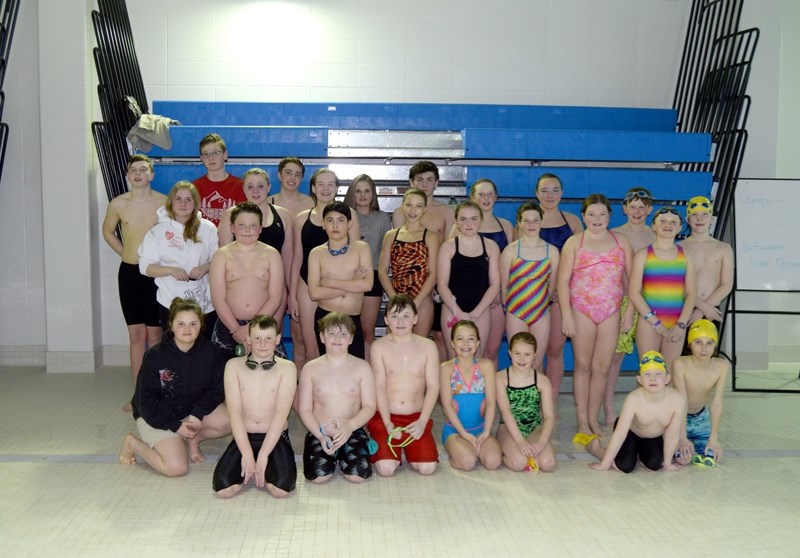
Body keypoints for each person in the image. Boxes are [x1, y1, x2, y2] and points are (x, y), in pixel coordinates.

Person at [119, 298, 230, 475]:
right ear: (171, 325)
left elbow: (217, 389)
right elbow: (145, 402)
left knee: (231, 421)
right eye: (181, 324)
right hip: (156, 417)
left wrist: (197, 414)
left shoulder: (211, 353)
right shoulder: (155, 356)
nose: (187, 329)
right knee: (176, 468)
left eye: (193, 323)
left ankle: (191, 440)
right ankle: (133, 444)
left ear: (201, 325)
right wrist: (175, 425)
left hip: (189, 411)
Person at [558, 194, 634, 437]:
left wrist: (630, 311)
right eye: (591, 214)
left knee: (602, 368)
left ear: (610, 216)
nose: (597, 219)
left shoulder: (621, 241)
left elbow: (633, 281)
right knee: (582, 366)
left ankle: (593, 418)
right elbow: (562, 281)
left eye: (602, 214)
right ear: (583, 216)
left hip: (611, 311)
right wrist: (567, 315)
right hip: (582, 310)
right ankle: (581, 421)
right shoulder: (574, 242)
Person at [102, 154, 166, 410]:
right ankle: (139, 395)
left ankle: (159, 392)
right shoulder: (118, 204)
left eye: (143, 169)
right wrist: (126, 253)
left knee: (156, 334)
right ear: (128, 176)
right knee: (136, 334)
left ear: (151, 174)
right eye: (133, 170)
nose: (138, 174)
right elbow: (107, 232)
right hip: (129, 274)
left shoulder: (164, 203)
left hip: (156, 275)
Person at [213, 315, 298, 498]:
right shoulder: (233, 366)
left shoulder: (288, 368)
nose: (262, 344)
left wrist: (264, 455)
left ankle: (263, 469)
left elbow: (280, 414)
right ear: (248, 339)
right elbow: (234, 412)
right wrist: (246, 453)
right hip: (245, 435)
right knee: (223, 490)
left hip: (275, 437)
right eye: (257, 338)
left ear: (277, 339)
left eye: (268, 338)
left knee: (281, 491)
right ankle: (253, 467)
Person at [290, 169, 361, 370]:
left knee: (339, 344)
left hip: (338, 285)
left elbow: (356, 253)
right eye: (321, 184)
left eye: (331, 184)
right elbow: (297, 258)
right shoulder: (301, 219)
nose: (326, 189)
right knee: (312, 348)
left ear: (337, 189)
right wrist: (293, 296)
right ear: (313, 188)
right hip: (307, 286)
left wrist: (349, 286)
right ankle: (313, 396)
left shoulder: (349, 216)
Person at [218, 168, 294, 354]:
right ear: (243, 188)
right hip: (240, 291)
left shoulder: (282, 215)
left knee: (268, 342)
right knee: (241, 349)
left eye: (260, 186)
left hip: (274, 292)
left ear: (269, 187)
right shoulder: (230, 215)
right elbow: (224, 255)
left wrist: (291, 294)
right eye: (250, 186)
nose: (255, 190)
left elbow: (289, 258)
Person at [297, 312, 376, 483]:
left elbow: (370, 406)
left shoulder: (362, 367)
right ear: (322, 337)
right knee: (318, 477)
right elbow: (304, 409)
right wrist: (320, 435)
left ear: (351, 339)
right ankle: (333, 455)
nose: (337, 338)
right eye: (331, 333)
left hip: (352, 430)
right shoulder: (310, 369)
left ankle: (344, 454)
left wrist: (350, 426)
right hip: (320, 431)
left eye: (343, 334)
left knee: (357, 475)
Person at [368, 295, 440, 477]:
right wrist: (387, 423)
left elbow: (433, 386)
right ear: (386, 320)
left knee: (427, 468)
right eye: (394, 316)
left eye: (406, 316)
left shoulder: (428, 346)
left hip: (416, 418)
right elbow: (379, 387)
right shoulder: (379, 347)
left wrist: (422, 422)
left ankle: (409, 449)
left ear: (415, 319)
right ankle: (386, 446)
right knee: (386, 469)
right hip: (386, 417)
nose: (400, 321)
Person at [138, 181, 218, 340]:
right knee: (174, 351)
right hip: (170, 301)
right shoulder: (157, 231)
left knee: (203, 350)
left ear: (195, 203)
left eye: (189, 199)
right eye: (178, 198)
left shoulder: (208, 228)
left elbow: (217, 260)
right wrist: (171, 270)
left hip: (204, 303)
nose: (183, 203)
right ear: (170, 202)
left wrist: (206, 267)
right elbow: (145, 267)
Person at [392, 161, 455, 361]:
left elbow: (450, 250)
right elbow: (399, 254)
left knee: (440, 337)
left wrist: (440, 284)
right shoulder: (399, 214)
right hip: (408, 285)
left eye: (429, 180)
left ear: (436, 183)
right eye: (419, 180)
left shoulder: (446, 212)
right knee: (400, 341)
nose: (424, 184)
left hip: (437, 285)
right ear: (411, 182)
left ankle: (439, 388)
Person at [604, 188, 656, 426]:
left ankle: (649, 407)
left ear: (649, 209)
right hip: (622, 302)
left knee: (650, 359)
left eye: (642, 207)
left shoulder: (658, 235)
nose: (637, 212)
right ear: (624, 209)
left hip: (651, 304)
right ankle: (607, 407)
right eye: (632, 207)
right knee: (614, 359)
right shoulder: (613, 235)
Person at [587, 350, 686, 473]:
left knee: (654, 465)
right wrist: (605, 465)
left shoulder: (677, 400)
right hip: (630, 432)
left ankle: (639, 454)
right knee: (625, 466)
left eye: (658, 374)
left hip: (652, 436)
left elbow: (672, 435)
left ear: (667, 378)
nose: (653, 379)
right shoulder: (634, 399)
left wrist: (667, 464)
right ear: (639, 379)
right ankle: (596, 448)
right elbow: (619, 435)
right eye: (647, 374)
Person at [209, 202, 284, 359]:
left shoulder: (272, 255)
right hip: (228, 325)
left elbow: (275, 298)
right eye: (241, 225)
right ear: (232, 228)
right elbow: (218, 299)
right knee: (221, 378)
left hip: (262, 325)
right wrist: (236, 329)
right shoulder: (221, 256)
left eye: (253, 225)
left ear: (260, 228)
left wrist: (251, 328)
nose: (248, 230)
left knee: (270, 375)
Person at [534, 173, 583, 410]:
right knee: (534, 351)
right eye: (544, 190)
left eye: (555, 190)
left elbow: (580, 262)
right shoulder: (527, 220)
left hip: (560, 297)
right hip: (532, 296)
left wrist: (560, 290)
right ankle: (536, 399)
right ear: (536, 194)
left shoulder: (572, 221)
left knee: (554, 349)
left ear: (562, 193)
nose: (549, 195)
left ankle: (550, 402)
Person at [628, 206, 696, 367]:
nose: (668, 225)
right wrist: (655, 322)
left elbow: (691, 293)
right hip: (649, 322)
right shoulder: (643, 255)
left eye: (673, 222)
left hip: (676, 322)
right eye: (663, 221)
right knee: (648, 370)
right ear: (654, 226)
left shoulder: (686, 255)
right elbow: (634, 293)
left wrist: (681, 324)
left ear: (680, 227)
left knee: (671, 373)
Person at [307, 201, 372, 359]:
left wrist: (329, 282)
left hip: (352, 318)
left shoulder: (361, 248)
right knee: (328, 366)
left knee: (354, 367)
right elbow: (314, 293)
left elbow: (367, 284)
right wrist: (352, 283)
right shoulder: (317, 253)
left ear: (349, 224)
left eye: (340, 220)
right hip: (325, 317)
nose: (335, 225)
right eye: (330, 220)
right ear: (323, 224)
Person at [500, 201, 559, 372]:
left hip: (541, 312)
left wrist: (540, 305)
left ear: (542, 222)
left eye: (535, 220)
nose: (531, 224)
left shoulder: (552, 251)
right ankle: (516, 399)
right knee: (519, 363)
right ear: (519, 222)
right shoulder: (510, 251)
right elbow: (504, 287)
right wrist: (508, 311)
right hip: (515, 312)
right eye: (526, 220)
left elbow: (552, 287)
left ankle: (538, 399)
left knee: (537, 362)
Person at [437, 201, 501, 359]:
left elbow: (495, 284)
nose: (468, 223)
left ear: (480, 221)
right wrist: (458, 313)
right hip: (452, 309)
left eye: (473, 219)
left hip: (480, 310)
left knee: (476, 359)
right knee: (454, 360)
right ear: (456, 222)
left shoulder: (491, 246)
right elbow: (442, 285)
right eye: (463, 219)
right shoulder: (448, 247)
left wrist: (475, 313)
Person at [439, 320, 502, 471]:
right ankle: (458, 451)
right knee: (467, 463)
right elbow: (447, 406)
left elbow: (492, 402)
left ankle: (474, 448)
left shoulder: (486, 366)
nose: (466, 343)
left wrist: (486, 432)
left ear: (478, 343)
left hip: (480, 429)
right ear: (453, 344)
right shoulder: (446, 368)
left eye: (471, 338)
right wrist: (464, 434)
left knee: (493, 462)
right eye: (460, 338)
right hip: (455, 431)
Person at [463, 179, 514, 365]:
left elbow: (511, 266)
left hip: (496, 298)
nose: (486, 198)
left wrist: (501, 294)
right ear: (472, 197)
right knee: (468, 353)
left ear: (496, 197)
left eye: (490, 194)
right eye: (481, 194)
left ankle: (489, 394)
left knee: (491, 351)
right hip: (467, 296)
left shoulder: (506, 226)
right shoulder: (459, 227)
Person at [378, 187, 440, 338]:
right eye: (409, 205)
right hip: (397, 297)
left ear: (425, 209)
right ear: (402, 206)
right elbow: (382, 270)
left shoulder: (430, 237)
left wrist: (416, 302)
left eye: (418, 206)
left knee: (418, 347)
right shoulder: (391, 235)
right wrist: (394, 298)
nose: (413, 210)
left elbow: (433, 273)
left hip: (421, 300)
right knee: (392, 348)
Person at [344, 174, 392, 360]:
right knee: (347, 330)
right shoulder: (345, 216)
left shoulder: (382, 219)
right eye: (358, 191)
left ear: (373, 194)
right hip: (348, 278)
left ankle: (368, 373)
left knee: (366, 333)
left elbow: (384, 252)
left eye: (367, 191)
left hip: (372, 278)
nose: (363, 195)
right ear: (351, 193)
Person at [495, 332, 556, 472]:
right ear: (509, 353)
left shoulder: (542, 381)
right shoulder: (501, 378)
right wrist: (520, 442)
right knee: (518, 463)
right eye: (517, 353)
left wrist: (541, 442)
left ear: (535, 355)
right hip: (508, 429)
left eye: (527, 354)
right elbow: (506, 412)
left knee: (548, 463)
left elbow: (549, 417)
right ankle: (505, 451)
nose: (522, 359)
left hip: (535, 428)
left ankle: (531, 450)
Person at [671, 319, 729, 464]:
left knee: (711, 456)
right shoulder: (680, 364)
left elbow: (716, 404)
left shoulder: (722, 366)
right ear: (689, 344)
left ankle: (696, 441)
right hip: (676, 417)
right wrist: (682, 437)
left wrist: (713, 439)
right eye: (698, 342)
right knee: (683, 459)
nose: (704, 349)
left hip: (701, 418)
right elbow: (681, 402)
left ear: (715, 345)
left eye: (709, 342)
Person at [678, 195, 734, 326]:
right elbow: (678, 285)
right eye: (694, 215)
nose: (699, 219)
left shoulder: (724, 248)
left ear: (711, 219)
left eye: (704, 214)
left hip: (712, 310)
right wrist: (700, 306)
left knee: (708, 346)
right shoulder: (679, 247)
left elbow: (726, 284)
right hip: (685, 309)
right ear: (687, 219)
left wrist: (702, 310)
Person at [192, 133, 246, 226]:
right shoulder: (194, 187)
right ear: (201, 158)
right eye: (206, 154)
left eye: (215, 153)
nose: (211, 158)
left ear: (225, 155)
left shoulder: (240, 186)